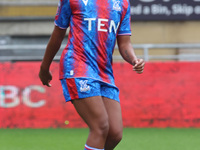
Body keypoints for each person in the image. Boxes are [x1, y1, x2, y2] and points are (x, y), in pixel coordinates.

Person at [39, 0, 145, 149]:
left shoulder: (122, 3)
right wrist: (45, 67)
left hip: (104, 71)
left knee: (115, 133)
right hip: (77, 66)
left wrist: (134, 60)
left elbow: (124, 42)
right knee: (100, 126)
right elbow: (58, 32)